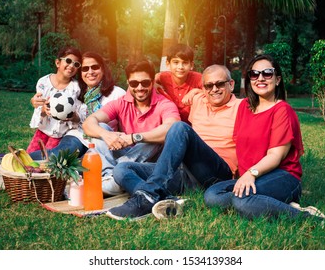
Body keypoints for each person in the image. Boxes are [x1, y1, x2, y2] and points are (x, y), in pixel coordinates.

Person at [204, 54, 325, 231]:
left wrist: (251, 174)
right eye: (254, 74)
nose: (260, 78)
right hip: (252, 178)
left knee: (241, 200)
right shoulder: (244, 107)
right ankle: (279, 204)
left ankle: (311, 219)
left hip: (283, 176)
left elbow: (276, 156)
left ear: (277, 80)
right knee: (212, 195)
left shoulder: (282, 110)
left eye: (267, 73)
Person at [106, 64, 242, 220]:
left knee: (179, 128)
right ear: (203, 88)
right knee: (122, 168)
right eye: (209, 85)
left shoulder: (241, 107)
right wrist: (154, 81)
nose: (214, 89)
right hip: (186, 173)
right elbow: (165, 76)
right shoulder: (198, 99)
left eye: (220, 84)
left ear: (231, 84)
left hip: (217, 172)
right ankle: (166, 201)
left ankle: (148, 196)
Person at [82, 59, 181, 196]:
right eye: (134, 83)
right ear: (128, 83)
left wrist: (135, 138)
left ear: (152, 82)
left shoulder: (165, 104)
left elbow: (174, 130)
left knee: (156, 137)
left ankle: (113, 181)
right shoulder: (121, 102)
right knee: (100, 127)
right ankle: (111, 177)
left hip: (148, 163)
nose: (140, 88)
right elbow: (88, 123)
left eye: (145, 83)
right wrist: (106, 135)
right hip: (124, 152)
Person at [28, 51, 126, 161]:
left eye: (95, 67)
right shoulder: (77, 92)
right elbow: (52, 96)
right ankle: (18, 158)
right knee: (56, 157)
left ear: (103, 69)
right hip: (78, 136)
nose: (90, 72)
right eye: (85, 69)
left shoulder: (118, 94)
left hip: (103, 142)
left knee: (84, 167)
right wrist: (35, 101)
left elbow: (126, 125)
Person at [27, 46, 85, 153]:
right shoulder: (43, 82)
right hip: (42, 130)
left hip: (59, 134)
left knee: (46, 163)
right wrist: (43, 110)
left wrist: (72, 116)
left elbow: (78, 114)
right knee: (30, 158)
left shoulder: (76, 88)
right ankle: (3, 161)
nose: (71, 66)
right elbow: (38, 106)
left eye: (76, 64)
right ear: (57, 63)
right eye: (68, 61)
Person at [155, 43, 202, 123]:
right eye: (176, 62)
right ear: (168, 64)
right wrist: (154, 84)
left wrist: (196, 91)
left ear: (191, 65)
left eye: (185, 63)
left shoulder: (198, 78)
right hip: (169, 123)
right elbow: (150, 80)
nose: (180, 67)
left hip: (193, 125)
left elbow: (212, 91)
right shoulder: (163, 77)